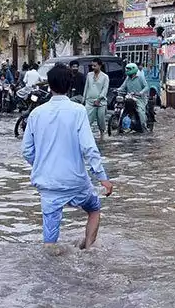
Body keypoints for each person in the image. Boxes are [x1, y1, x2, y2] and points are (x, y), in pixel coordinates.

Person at [22, 64, 113, 248]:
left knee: (49, 241)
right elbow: (89, 148)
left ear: (49, 86)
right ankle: (87, 251)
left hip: (48, 186)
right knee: (94, 209)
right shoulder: (78, 111)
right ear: (70, 86)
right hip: (76, 182)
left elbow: (27, 151)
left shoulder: (36, 114)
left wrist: (43, 165)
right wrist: (102, 178)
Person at [84, 58, 111, 137]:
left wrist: (99, 99)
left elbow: (105, 89)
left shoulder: (105, 77)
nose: (93, 67)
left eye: (95, 66)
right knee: (87, 119)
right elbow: (86, 87)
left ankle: (102, 135)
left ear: (100, 66)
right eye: (92, 65)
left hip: (101, 102)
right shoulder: (89, 75)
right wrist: (84, 99)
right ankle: (86, 136)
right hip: (89, 101)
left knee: (101, 120)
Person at [121, 63, 150, 131]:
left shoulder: (140, 77)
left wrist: (140, 93)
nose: (127, 70)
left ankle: (144, 126)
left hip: (139, 98)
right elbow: (123, 87)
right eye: (126, 69)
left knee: (140, 111)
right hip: (129, 97)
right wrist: (117, 89)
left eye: (128, 69)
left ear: (133, 69)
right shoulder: (127, 78)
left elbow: (146, 87)